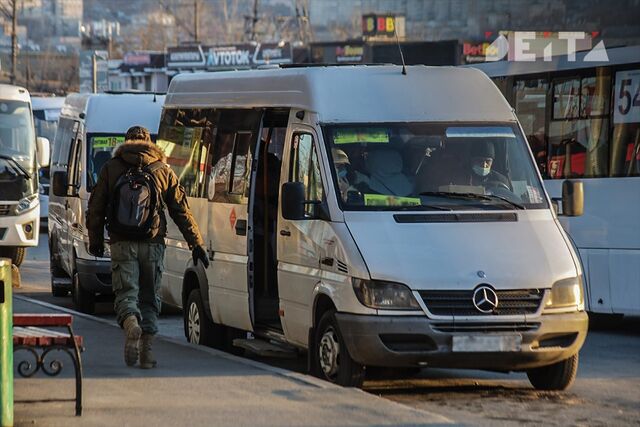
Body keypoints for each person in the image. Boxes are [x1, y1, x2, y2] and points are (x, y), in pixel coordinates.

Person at [87, 126, 209, 369]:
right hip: (153, 244)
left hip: (122, 243)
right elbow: (181, 211)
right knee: (150, 298)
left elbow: (96, 208)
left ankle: (131, 324)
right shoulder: (163, 170)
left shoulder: (112, 168)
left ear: (126, 142)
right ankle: (147, 354)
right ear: (150, 143)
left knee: (126, 294)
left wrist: (96, 241)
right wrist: (196, 243)